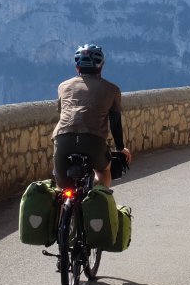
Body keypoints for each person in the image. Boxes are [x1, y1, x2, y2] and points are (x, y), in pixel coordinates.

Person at [52, 44, 132, 188]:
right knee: (103, 170)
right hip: (93, 141)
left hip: (63, 139)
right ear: (101, 66)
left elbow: (61, 112)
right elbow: (115, 123)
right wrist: (120, 147)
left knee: (62, 187)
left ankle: (62, 207)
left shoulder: (63, 86)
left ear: (77, 67)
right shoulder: (112, 90)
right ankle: (98, 196)